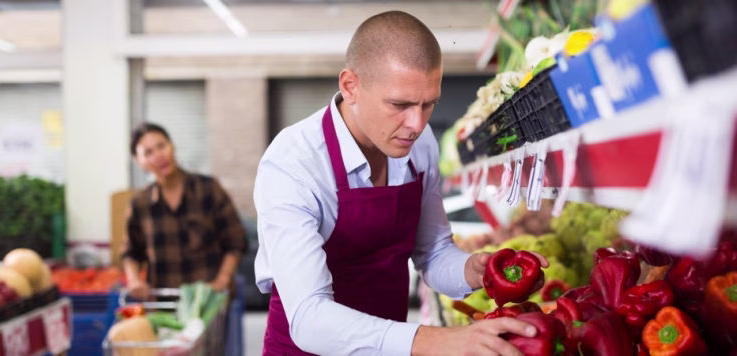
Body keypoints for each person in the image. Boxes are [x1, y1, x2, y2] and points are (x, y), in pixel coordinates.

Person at [254, 10, 549, 356]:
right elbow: (309, 318)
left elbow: (433, 253)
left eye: (429, 104)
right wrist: (433, 340)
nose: (417, 123)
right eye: (400, 104)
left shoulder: (420, 146)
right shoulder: (293, 163)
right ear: (351, 86)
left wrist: (473, 270)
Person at [122, 122, 247, 299]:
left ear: (172, 146)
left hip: (209, 303)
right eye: (148, 152)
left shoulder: (209, 189)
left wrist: (222, 279)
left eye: (161, 146)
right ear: (138, 161)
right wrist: (134, 280)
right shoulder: (139, 204)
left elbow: (237, 241)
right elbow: (131, 252)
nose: (158, 155)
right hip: (164, 304)